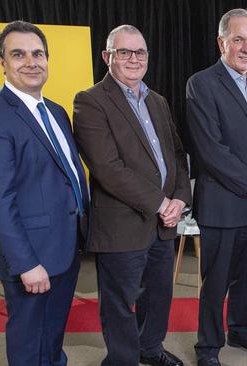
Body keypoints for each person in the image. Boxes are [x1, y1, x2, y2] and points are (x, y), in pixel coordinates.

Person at [0, 20, 89, 365]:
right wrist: (27, 263)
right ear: (2, 62)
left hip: (64, 245)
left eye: (38, 54)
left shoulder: (57, 112)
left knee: (52, 334)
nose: (31, 62)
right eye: (18, 54)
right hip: (30, 258)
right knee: (29, 341)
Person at [72, 25, 191, 366]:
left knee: (158, 296)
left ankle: (150, 350)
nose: (134, 59)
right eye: (124, 52)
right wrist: (161, 202)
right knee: (120, 303)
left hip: (163, 223)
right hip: (122, 224)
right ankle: (122, 360)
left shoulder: (158, 101)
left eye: (140, 52)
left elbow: (177, 155)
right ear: (107, 57)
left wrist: (180, 199)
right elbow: (107, 168)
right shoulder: (90, 101)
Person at [185, 8, 247, 366]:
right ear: (221, 42)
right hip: (224, 203)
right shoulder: (202, 83)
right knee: (216, 283)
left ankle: (242, 330)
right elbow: (211, 150)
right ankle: (208, 347)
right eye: (239, 39)